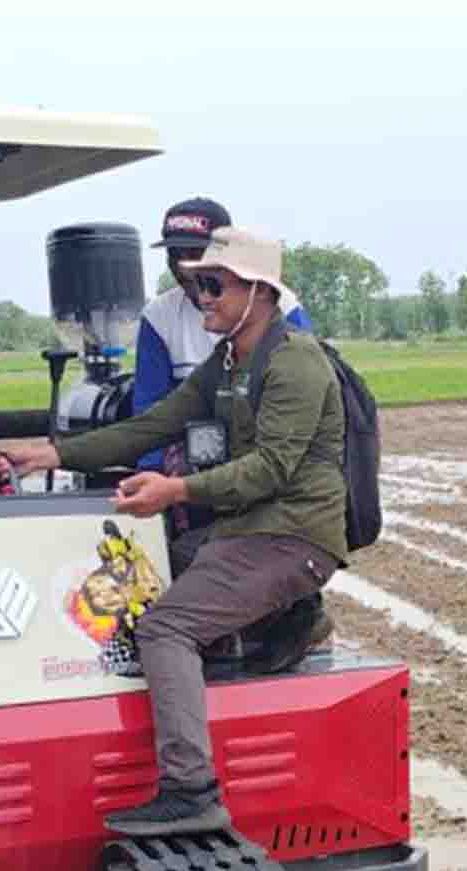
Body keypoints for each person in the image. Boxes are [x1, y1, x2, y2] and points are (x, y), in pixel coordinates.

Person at [0, 227, 345, 836]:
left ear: (258, 292)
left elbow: (270, 470)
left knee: (165, 626)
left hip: (293, 536)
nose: (200, 294)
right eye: (197, 282)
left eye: (214, 284)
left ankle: (191, 789)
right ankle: (281, 627)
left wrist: (175, 491)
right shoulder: (229, 358)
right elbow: (153, 424)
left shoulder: (296, 363)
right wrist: (51, 454)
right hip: (249, 527)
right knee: (152, 574)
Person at [136, 198, 330, 666]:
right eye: (174, 256)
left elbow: (296, 402)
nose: (185, 269)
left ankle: (296, 615)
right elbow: (151, 409)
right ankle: (214, 628)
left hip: (260, 446)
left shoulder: (283, 315)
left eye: (195, 256)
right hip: (191, 444)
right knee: (188, 540)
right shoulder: (159, 317)